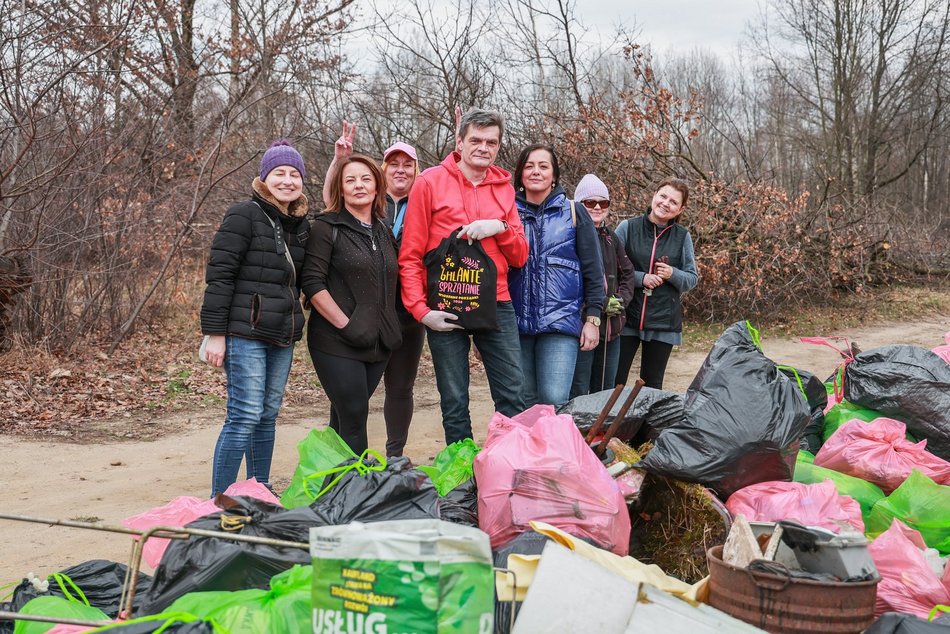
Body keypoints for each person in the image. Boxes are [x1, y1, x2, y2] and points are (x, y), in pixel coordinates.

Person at [399, 108, 529, 445]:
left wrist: (500, 227)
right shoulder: (429, 182)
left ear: (498, 146)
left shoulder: (504, 189)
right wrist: (421, 311)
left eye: (491, 142)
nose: (484, 147)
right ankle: (462, 466)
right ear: (460, 142)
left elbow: (520, 255)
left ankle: (508, 461)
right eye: (476, 140)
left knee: (513, 393)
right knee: (454, 398)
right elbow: (410, 254)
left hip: (496, 301)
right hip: (446, 302)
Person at [201, 139, 311, 496]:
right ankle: (220, 499)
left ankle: (259, 489)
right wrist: (215, 333)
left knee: (267, 414)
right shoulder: (243, 215)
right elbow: (220, 275)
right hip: (244, 332)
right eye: (279, 173)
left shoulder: (300, 225)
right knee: (244, 414)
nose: (287, 180)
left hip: (282, 335)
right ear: (264, 178)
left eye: (294, 174)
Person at [322, 122, 424, 458]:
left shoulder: (425, 202)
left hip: (406, 314)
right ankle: (341, 467)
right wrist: (339, 161)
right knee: (351, 398)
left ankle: (395, 457)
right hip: (365, 314)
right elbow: (333, 203)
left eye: (407, 164)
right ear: (383, 170)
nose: (400, 169)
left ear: (417, 171)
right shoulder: (371, 206)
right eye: (393, 164)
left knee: (400, 387)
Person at [302, 154, 401, 455]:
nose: (359, 185)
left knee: (343, 417)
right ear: (340, 189)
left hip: (379, 344)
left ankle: (335, 481)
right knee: (355, 416)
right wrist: (347, 325)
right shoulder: (326, 228)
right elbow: (313, 283)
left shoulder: (383, 230)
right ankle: (359, 483)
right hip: (336, 341)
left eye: (366, 179)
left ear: (377, 186)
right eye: (350, 180)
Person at [509, 145, 605, 407]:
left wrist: (593, 319)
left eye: (543, 166)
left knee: (554, 399)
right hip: (515, 325)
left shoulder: (574, 212)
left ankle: (556, 438)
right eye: (529, 166)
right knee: (523, 402)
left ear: (554, 175)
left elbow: (593, 271)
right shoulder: (506, 212)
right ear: (520, 174)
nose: (536, 171)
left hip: (561, 323)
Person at [614, 177, 699, 389]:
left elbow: (691, 278)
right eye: (663, 196)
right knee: (615, 381)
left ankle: (648, 414)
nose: (665, 203)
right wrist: (641, 278)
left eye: (673, 202)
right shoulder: (628, 227)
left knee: (652, 387)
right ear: (654, 196)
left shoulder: (682, 236)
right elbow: (610, 268)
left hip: (664, 322)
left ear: (680, 209)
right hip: (626, 317)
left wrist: (672, 273)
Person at [570, 174, 636, 397]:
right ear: (579, 205)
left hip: (612, 329)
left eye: (603, 203)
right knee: (579, 390)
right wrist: (599, 302)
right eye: (590, 202)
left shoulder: (612, 238)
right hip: (581, 326)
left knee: (605, 390)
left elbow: (628, 273)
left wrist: (620, 300)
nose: (597, 207)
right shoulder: (570, 235)